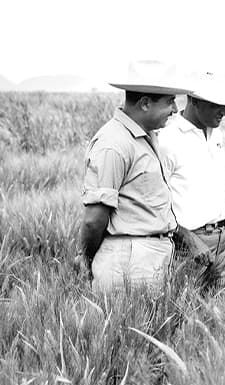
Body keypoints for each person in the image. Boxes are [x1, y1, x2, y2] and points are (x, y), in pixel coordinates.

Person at [80, 60, 191, 292]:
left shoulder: (145, 137)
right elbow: (93, 220)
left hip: (145, 259)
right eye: (170, 101)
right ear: (145, 104)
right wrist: (88, 259)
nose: (175, 109)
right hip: (129, 262)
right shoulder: (113, 144)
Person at [158, 73, 225, 291]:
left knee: (222, 312)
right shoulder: (167, 139)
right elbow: (156, 202)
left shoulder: (215, 134)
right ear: (194, 101)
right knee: (185, 313)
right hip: (186, 247)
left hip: (221, 242)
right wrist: (187, 238)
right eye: (218, 105)